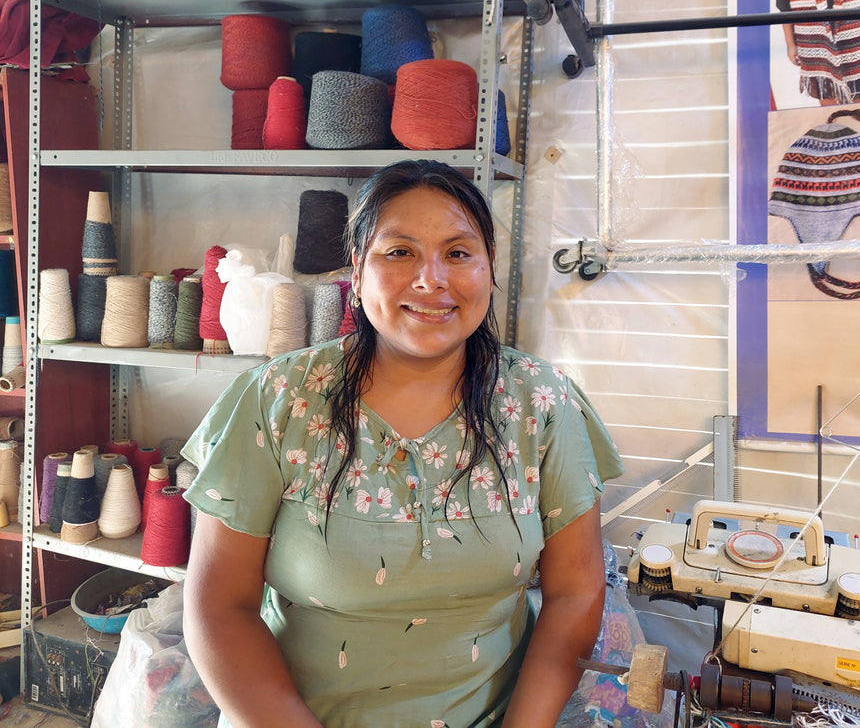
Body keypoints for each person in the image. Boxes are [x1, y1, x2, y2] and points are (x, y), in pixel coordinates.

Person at [181, 159, 625, 728]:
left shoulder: (542, 402)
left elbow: (574, 594)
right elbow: (220, 608)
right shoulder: (280, 398)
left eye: (458, 253)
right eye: (399, 252)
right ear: (357, 271)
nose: (431, 279)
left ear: (489, 268)